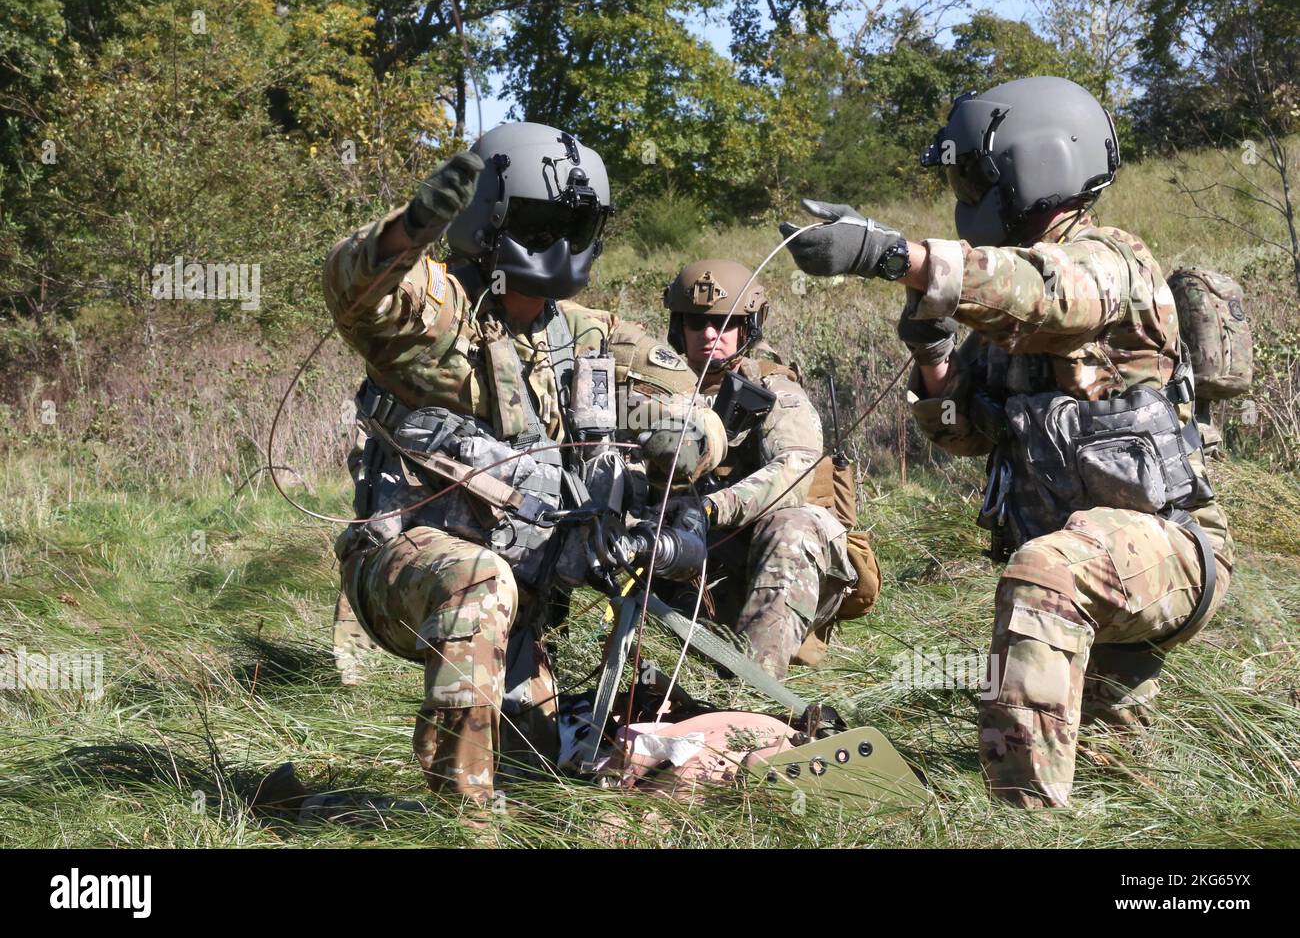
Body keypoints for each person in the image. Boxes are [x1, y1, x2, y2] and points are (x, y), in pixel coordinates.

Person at [780, 76, 1233, 808]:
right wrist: (933, 357)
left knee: (1044, 574)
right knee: (1124, 785)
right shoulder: (1013, 320)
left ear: (1037, 165)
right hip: (1094, 562)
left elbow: (1050, 291)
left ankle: (1018, 822)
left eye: (972, 175)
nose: (963, 192)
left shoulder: (1111, 260)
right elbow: (972, 432)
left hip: (1168, 551)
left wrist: (896, 257)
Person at [323, 122, 723, 809]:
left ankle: (316, 806)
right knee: (479, 584)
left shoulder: (588, 333)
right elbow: (356, 285)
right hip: (412, 568)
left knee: (538, 782)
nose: (558, 243)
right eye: (539, 223)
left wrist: (682, 435)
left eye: (577, 223)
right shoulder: (440, 315)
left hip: (526, 594)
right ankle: (463, 825)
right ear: (493, 220)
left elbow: (692, 417)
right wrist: (411, 226)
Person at [656, 258, 872, 678]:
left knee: (795, 523)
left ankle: (755, 691)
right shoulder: (661, 390)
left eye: (725, 323)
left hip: (774, 563)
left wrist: (711, 510)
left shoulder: (776, 391)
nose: (709, 335)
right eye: (696, 324)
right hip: (687, 564)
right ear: (677, 328)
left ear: (749, 326)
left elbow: (795, 467)